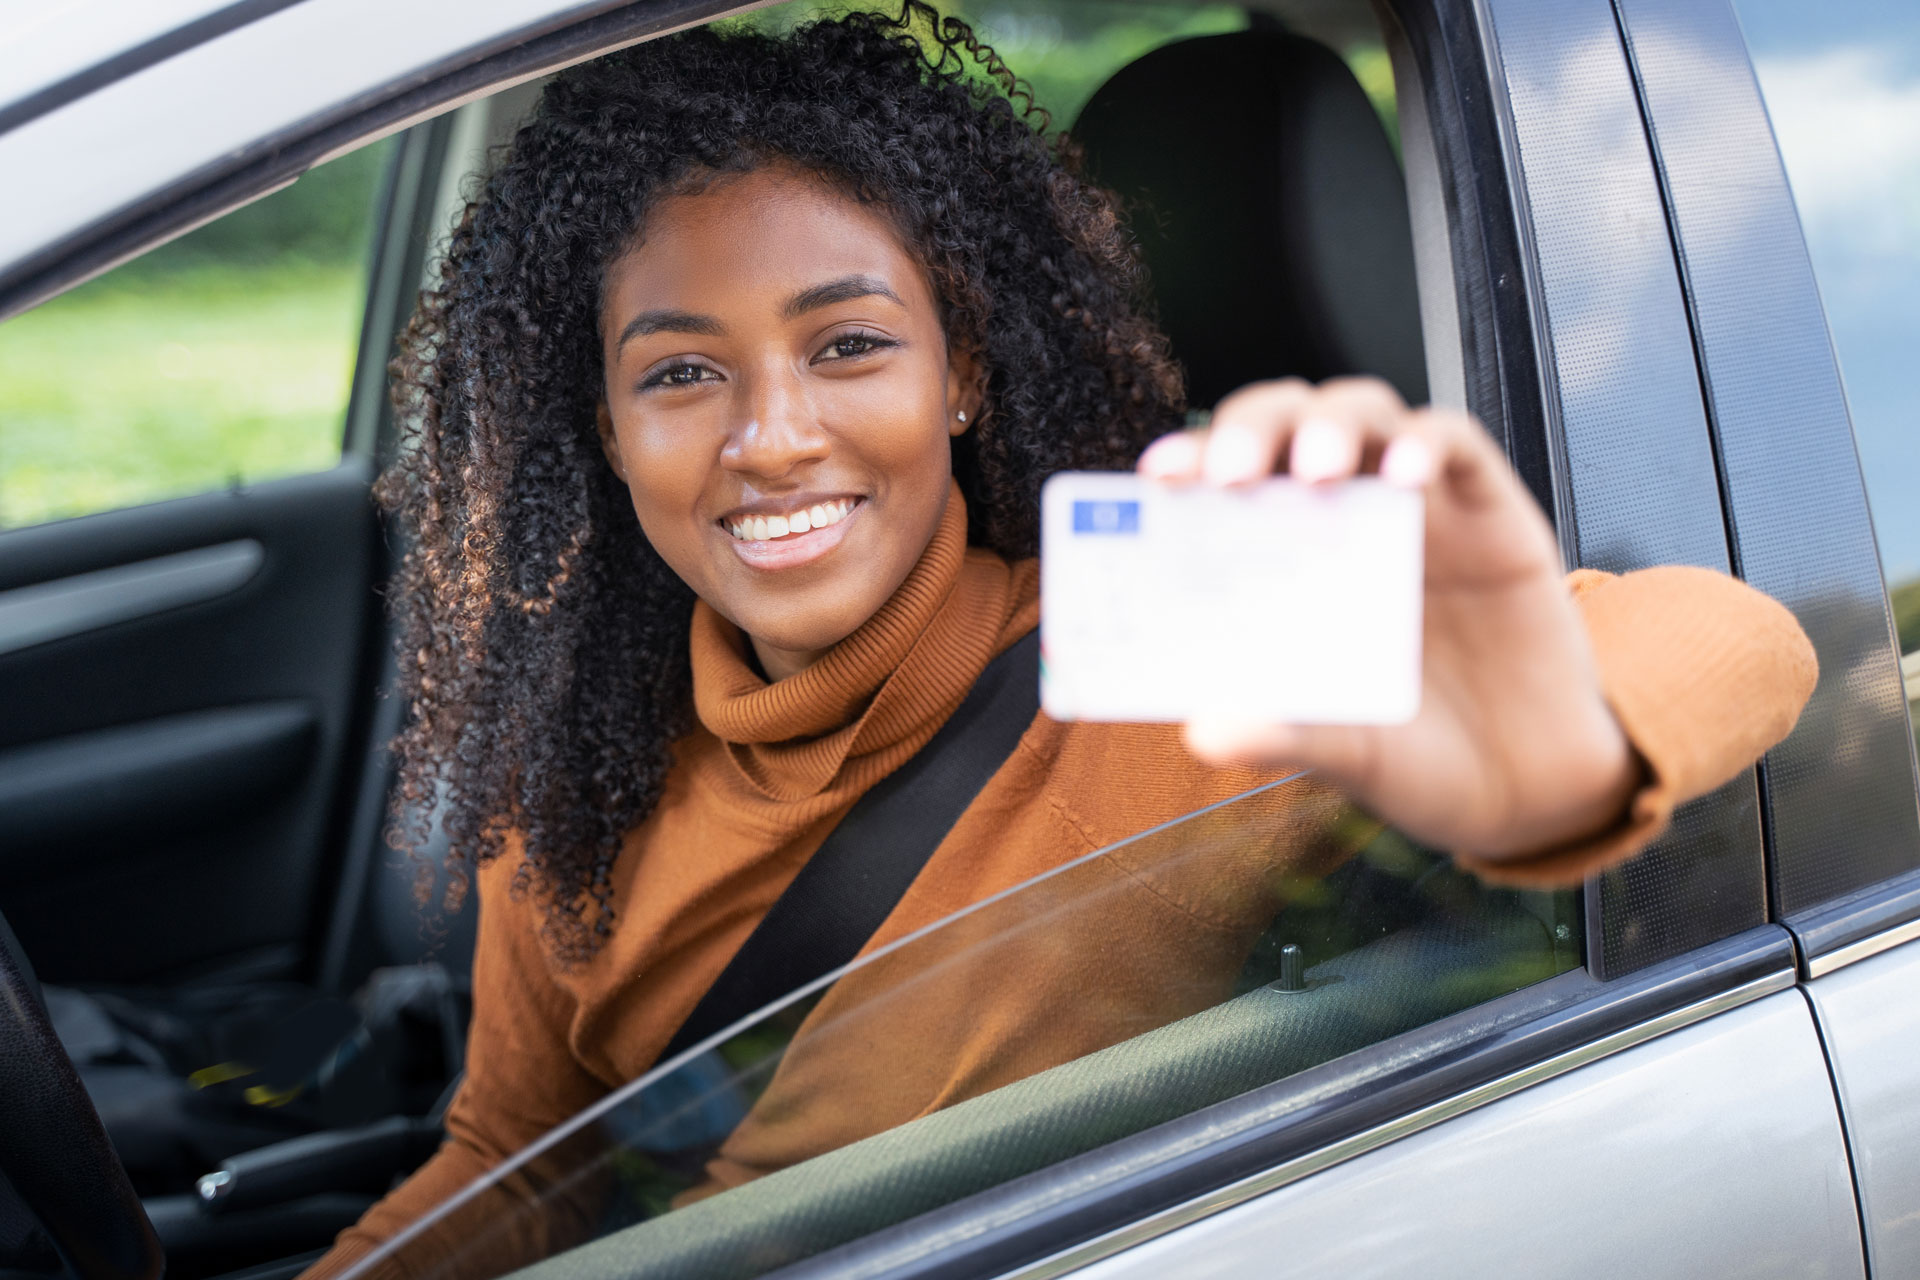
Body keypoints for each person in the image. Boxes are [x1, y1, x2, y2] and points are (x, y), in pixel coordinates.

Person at [307, 5, 1816, 1276]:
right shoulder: (579, 760)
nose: (772, 438)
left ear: (962, 371)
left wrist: (1545, 772)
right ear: (607, 428)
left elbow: (1736, 632)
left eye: (850, 346)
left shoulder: (1161, 622)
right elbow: (520, 1158)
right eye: (683, 371)